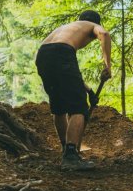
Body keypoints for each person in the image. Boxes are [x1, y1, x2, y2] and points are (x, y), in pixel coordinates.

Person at [35, 10, 111, 171]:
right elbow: (104, 34)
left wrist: (89, 91)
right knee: (78, 108)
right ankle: (71, 156)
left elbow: (69, 76)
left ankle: (66, 151)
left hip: (42, 55)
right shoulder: (92, 25)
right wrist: (107, 66)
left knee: (60, 107)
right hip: (61, 53)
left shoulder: (67, 28)